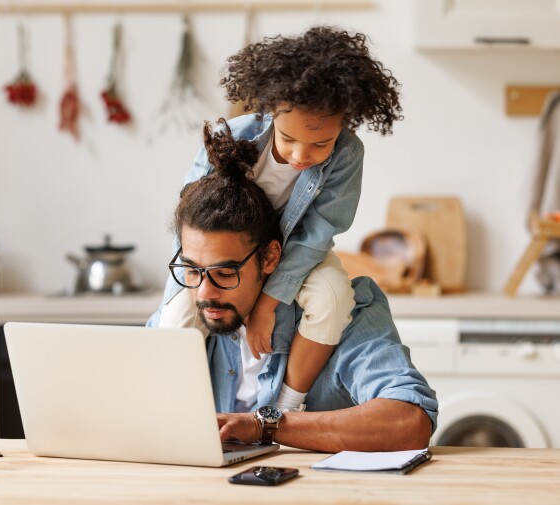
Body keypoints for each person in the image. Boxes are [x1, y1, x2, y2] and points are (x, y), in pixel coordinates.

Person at [147, 120, 437, 452]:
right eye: (192, 271)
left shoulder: (349, 315)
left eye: (225, 274)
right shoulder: (185, 318)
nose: (203, 294)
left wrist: (266, 425)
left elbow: (410, 422)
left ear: (271, 258)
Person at [157, 25, 403, 413]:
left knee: (334, 298)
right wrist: (190, 280)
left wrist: (269, 302)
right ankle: (174, 413)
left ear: (345, 121)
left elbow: (319, 231)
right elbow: (190, 214)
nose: (301, 155)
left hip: (299, 249)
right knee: (174, 319)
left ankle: (287, 405)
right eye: (288, 139)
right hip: (232, 251)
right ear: (272, 110)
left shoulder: (348, 155)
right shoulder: (235, 136)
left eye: (320, 144)